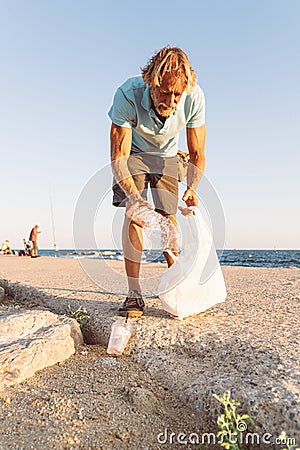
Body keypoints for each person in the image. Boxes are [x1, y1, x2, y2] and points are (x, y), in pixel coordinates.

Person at [109, 46, 206, 317]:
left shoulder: (193, 97)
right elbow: (119, 155)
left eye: (177, 94)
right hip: (135, 152)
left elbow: (197, 153)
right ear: (151, 81)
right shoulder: (127, 94)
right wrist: (134, 197)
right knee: (136, 214)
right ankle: (134, 294)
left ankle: (177, 286)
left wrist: (192, 188)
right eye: (164, 92)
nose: (171, 101)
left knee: (168, 214)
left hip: (168, 155)